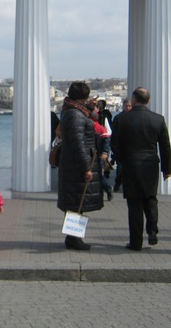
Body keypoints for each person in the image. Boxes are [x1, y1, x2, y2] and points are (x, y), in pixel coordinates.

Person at [110, 87, 171, 251]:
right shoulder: (158, 119)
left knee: (134, 204)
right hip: (151, 164)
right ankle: (152, 230)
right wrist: (167, 168)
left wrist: (121, 159)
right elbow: (165, 146)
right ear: (148, 101)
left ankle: (136, 242)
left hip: (130, 164)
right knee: (150, 198)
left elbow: (114, 144)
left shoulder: (121, 119)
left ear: (133, 100)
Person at [57, 81, 103, 251]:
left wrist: (90, 109)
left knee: (76, 202)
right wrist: (86, 168)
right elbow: (78, 144)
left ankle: (74, 238)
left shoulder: (72, 111)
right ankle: (74, 239)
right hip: (76, 166)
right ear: (83, 97)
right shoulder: (75, 115)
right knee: (77, 202)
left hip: (72, 163)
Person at [111, 98, 133, 192]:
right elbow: (114, 135)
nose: (127, 108)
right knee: (120, 169)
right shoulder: (118, 118)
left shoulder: (134, 117)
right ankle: (117, 183)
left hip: (131, 148)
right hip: (121, 148)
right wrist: (115, 149)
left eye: (129, 106)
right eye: (126, 106)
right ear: (123, 107)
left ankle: (128, 186)